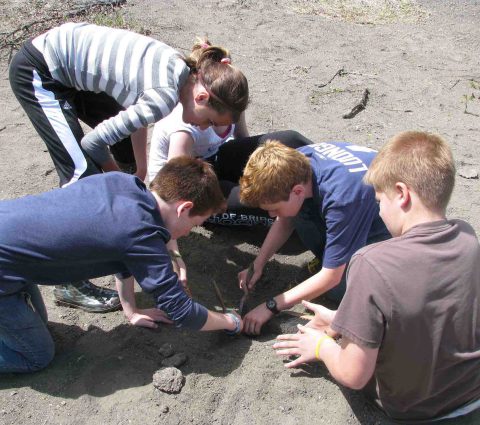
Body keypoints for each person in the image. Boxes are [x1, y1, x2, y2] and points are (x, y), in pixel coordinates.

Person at [9, 22, 249, 312]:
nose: (203, 127)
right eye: (209, 120)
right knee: (82, 175)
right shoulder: (164, 96)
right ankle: (69, 282)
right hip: (42, 71)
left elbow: (136, 114)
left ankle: (126, 216)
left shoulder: (181, 72)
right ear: (201, 97)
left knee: (121, 146)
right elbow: (92, 144)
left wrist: (140, 169)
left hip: (74, 69)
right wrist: (118, 181)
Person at [273, 131, 480, 423]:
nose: (379, 210)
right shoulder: (468, 238)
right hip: (472, 394)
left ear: (402, 194)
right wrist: (341, 319)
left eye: (379, 200)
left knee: (345, 357)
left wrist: (321, 346)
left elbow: (353, 374)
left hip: (415, 408)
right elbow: (424, 312)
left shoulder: (371, 262)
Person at [0, 157, 243, 374]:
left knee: (38, 322)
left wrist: (131, 310)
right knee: (37, 355)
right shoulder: (142, 234)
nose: (190, 232)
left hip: (10, 244)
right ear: (184, 208)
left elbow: (121, 253)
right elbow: (182, 311)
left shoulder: (124, 184)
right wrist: (231, 322)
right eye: (195, 224)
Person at [238, 140, 390, 335]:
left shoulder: (341, 198)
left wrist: (270, 306)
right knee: (295, 212)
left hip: (391, 231)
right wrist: (258, 264)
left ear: (298, 191)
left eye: (273, 208)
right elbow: (284, 221)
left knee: (337, 289)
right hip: (359, 206)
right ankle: (333, 257)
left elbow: (331, 278)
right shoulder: (296, 162)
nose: (270, 215)